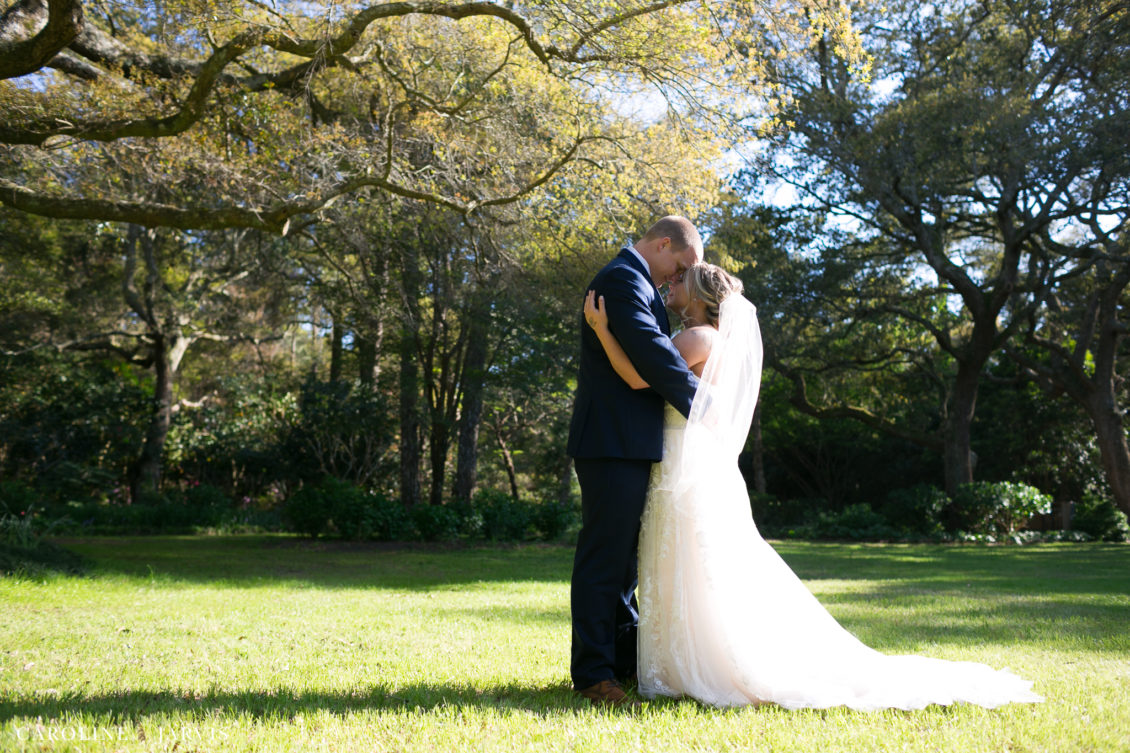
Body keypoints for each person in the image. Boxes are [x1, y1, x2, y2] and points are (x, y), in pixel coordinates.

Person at [583, 262, 1043, 710]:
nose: (672, 282)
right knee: (692, 562)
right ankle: (685, 661)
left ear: (701, 297)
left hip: (681, 461)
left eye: (681, 279)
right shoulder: (716, 340)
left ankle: (695, 664)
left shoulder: (696, 337)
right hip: (693, 459)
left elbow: (640, 377)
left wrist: (603, 330)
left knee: (683, 558)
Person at [566, 216, 704, 708]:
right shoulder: (622, 278)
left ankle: (621, 662)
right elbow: (651, 354)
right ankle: (592, 675)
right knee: (605, 559)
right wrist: (706, 409)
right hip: (610, 441)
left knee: (624, 562)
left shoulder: (636, 279)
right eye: (680, 266)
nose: (677, 278)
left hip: (631, 441)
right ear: (663, 244)